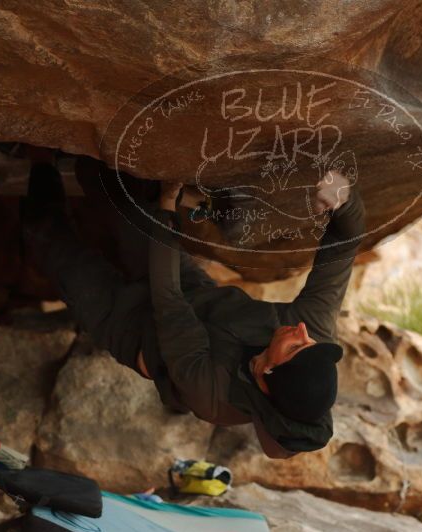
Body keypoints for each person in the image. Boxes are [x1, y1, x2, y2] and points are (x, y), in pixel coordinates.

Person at [20, 146, 366, 459]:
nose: (303, 332)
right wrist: (344, 199)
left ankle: (40, 162)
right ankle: (89, 163)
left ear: (267, 374)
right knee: (115, 196)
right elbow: (343, 246)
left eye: (295, 348)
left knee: (55, 245)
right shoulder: (312, 330)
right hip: (194, 291)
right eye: (310, 343)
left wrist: (167, 209)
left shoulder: (212, 394)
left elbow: (168, 302)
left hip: (132, 328)